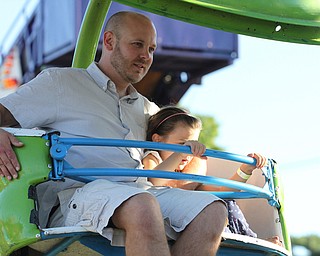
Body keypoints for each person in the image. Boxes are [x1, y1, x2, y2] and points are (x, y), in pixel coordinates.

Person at [0, 11, 228, 255]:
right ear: (109, 42)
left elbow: (176, 145)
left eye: (151, 49)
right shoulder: (60, 83)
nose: (146, 56)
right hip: (78, 197)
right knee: (142, 206)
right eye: (137, 45)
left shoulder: (146, 109)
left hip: (140, 194)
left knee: (213, 210)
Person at [143, 105, 283, 246]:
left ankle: (248, 241)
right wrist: (179, 154)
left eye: (191, 146)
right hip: (166, 210)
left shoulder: (186, 174)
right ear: (157, 140)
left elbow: (222, 191)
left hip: (192, 212)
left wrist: (245, 170)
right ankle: (239, 242)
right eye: (182, 144)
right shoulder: (153, 157)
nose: (188, 152)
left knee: (226, 201)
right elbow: (154, 180)